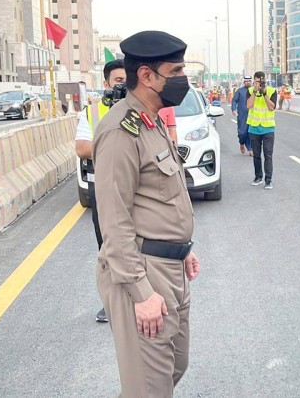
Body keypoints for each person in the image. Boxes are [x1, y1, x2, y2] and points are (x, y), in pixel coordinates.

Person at [93, 30, 201, 398]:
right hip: (143, 271)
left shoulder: (152, 121)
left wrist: (183, 247)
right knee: (150, 389)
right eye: (175, 71)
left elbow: (163, 195)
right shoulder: (120, 131)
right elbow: (114, 219)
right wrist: (141, 293)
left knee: (173, 367)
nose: (182, 79)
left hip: (171, 267)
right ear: (147, 76)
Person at [75, 59, 126, 323]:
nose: (123, 85)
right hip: (102, 185)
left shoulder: (140, 109)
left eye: (127, 80)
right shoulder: (92, 111)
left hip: (134, 185)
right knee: (107, 245)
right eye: (118, 80)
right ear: (106, 83)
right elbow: (83, 148)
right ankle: (110, 302)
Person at [246, 71, 278, 190]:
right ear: (254, 81)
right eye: (257, 81)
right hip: (254, 128)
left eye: (261, 81)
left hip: (268, 128)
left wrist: (264, 94)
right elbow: (249, 105)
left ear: (265, 80)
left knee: (268, 155)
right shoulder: (249, 91)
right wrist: (255, 92)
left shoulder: (271, 91)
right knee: (256, 155)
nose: (259, 83)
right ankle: (258, 177)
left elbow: (272, 107)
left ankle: (268, 180)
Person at [231, 76, 253, 155]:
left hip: (253, 115)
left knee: (251, 132)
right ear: (244, 82)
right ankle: (241, 143)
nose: (248, 82)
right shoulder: (240, 91)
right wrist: (234, 109)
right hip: (242, 115)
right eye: (246, 81)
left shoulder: (254, 91)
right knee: (242, 132)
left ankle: (250, 149)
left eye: (249, 81)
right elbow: (234, 100)